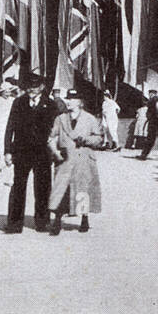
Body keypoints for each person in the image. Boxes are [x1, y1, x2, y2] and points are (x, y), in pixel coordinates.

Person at [3, 73, 58, 233]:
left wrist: (55, 151)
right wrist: (7, 151)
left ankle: (42, 221)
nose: (31, 89)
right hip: (21, 152)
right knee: (18, 187)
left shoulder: (51, 104)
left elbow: (56, 131)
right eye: (29, 86)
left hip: (42, 153)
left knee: (43, 187)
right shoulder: (18, 102)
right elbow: (10, 127)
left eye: (34, 86)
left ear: (42, 87)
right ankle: (14, 223)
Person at [47, 90, 104, 235]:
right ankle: (57, 221)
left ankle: (84, 219)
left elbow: (99, 139)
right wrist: (56, 152)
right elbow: (52, 137)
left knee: (83, 189)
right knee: (62, 190)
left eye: (73, 99)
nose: (69, 101)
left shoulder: (90, 119)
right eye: (68, 99)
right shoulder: (60, 118)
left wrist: (85, 139)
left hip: (83, 159)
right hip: (65, 160)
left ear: (80, 102)